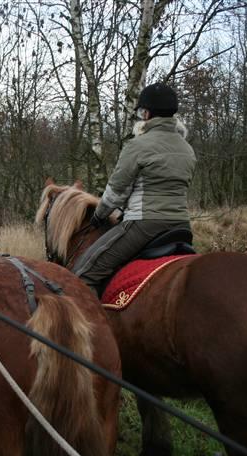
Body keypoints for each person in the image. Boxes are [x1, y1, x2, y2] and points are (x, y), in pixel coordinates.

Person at [73, 82, 196, 296]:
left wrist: (99, 216)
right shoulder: (187, 149)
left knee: (83, 274)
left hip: (145, 224)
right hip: (181, 226)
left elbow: (116, 192)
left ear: (146, 113)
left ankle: (93, 328)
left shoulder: (138, 145)